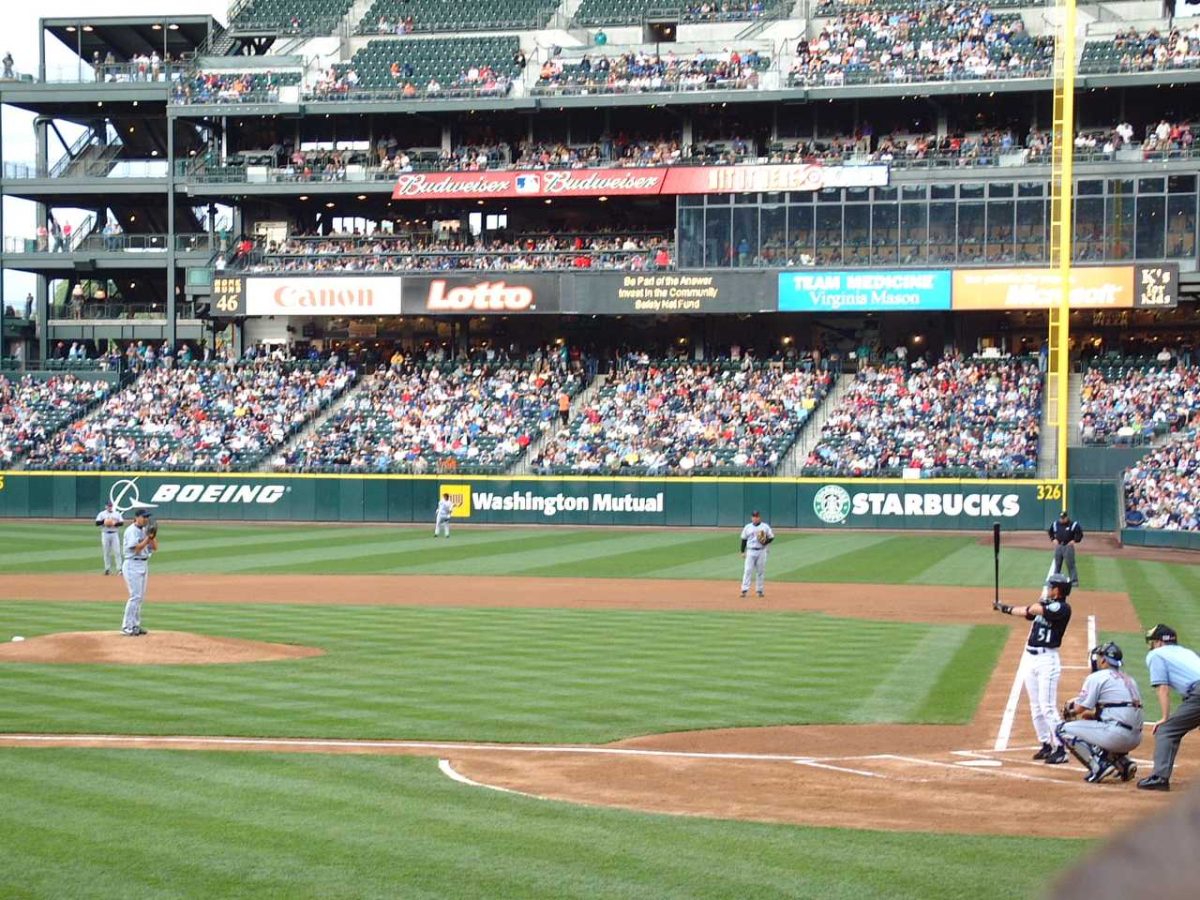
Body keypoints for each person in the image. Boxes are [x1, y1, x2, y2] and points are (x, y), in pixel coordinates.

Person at [993, 572, 1074, 764]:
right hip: (1031, 658)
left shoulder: (1062, 608)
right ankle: (1046, 744)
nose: (1048, 589)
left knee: (1047, 706)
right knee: (1036, 707)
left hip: (1047, 660)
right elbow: (1026, 612)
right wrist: (1004, 608)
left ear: (1057, 590)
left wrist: (1040, 604)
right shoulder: (1046, 605)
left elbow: (1035, 609)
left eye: (1050, 586)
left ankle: (1061, 748)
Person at [1056, 641, 1144, 784]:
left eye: (1098, 657)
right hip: (1135, 738)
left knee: (1062, 730)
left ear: (1103, 660)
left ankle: (1098, 766)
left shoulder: (1097, 677)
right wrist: (1092, 716)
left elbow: (1080, 708)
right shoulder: (1129, 679)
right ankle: (1124, 764)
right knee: (1098, 726)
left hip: (1117, 736)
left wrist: (1069, 710)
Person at [1137, 624, 1200, 791]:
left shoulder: (1156, 655)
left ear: (1159, 643)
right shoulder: (1186, 652)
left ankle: (1159, 777)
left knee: (1167, 730)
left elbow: (1162, 688)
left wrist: (1165, 718)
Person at [120, 509, 157, 637]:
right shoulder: (131, 531)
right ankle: (126, 627)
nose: (146, 519)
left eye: (147, 517)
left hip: (143, 564)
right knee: (134, 596)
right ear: (136, 517)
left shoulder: (145, 530)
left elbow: (155, 548)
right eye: (144, 517)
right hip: (132, 564)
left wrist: (152, 537)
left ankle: (135, 625)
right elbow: (136, 549)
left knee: (140, 597)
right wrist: (148, 538)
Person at [739, 510, 774, 598]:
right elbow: (744, 540)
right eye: (754, 516)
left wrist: (765, 542)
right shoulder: (747, 527)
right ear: (752, 518)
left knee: (760, 572)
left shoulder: (765, 527)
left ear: (759, 517)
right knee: (747, 570)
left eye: (757, 516)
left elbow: (771, 537)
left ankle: (759, 591)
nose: (755, 518)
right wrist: (743, 551)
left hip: (761, 551)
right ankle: (744, 590)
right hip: (750, 551)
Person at [1048, 510, 1083, 587]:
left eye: (1063, 518)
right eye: (1061, 518)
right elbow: (1050, 532)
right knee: (1057, 564)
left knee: (1070, 565)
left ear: (1067, 517)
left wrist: (1075, 540)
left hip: (1068, 547)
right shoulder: (1055, 524)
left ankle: (1074, 581)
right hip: (1059, 546)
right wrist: (1053, 539)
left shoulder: (1073, 524)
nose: (1062, 519)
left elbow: (1079, 534)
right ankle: (1055, 581)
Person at [95, 502, 124, 575]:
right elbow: (97, 523)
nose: (110, 507)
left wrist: (114, 523)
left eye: (111, 506)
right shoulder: (102, 514)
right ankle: (107, 569)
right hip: (105, 534)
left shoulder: (116, 514)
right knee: (106, 552)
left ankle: (119, 569)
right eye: (108, 506)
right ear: (105, 506)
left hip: (114, 534)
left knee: (117, 552)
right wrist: (104, 522)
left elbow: (121, 523)